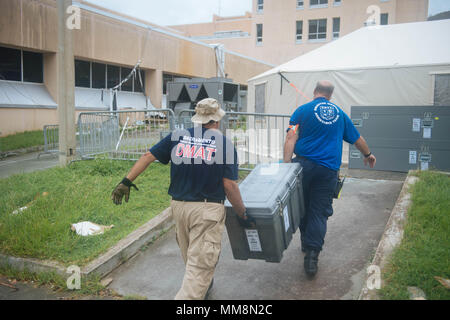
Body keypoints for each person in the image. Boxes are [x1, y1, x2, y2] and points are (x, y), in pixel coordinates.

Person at [111, 98, 249, 300]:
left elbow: (148, 156)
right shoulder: (224, 144)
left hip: (179, 208)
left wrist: (126, 181)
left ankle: (204, 282)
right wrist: (241, 213)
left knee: (193, 260)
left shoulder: (178, 136)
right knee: (197, 271)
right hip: (206, 211)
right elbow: (229, 185)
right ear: (216, 120)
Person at [283, 81, 376, 278]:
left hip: (303, 167)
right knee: (318, 212)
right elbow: (357, 139)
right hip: (327, 171)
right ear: (330, 95)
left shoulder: (302, 110)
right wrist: (368, 154)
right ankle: (312, 256)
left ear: (315, 92)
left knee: (302, 207)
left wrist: (286, 166)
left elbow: (290, 138)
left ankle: (306, 243)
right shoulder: (340, 114)